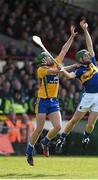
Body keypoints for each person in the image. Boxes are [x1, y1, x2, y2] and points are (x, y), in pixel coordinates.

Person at [26, 25, 78, 166]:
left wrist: (71, 37)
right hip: (42, 101)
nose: (51, 58)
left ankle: (46, 141)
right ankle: (29, 151)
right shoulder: (41, 70)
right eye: (48, 57)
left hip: (53, 101)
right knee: (39, 128)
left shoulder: (54, 65)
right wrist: (64, 68)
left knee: (57, 127)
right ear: (44, 60)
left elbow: (64, 50)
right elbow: (56, 72)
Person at [56, 20, 98, 150]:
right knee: (74, 120)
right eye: (86, 55)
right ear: (80, 59)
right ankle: (62, 138)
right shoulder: (79, 70)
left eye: (88, 54)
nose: (89, 55)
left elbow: (90, 46)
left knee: (91, 125)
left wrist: (85, 30)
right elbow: (69, 76)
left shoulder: (93, 62)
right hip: (88, 97)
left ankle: (86, 135)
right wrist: (63, 70)